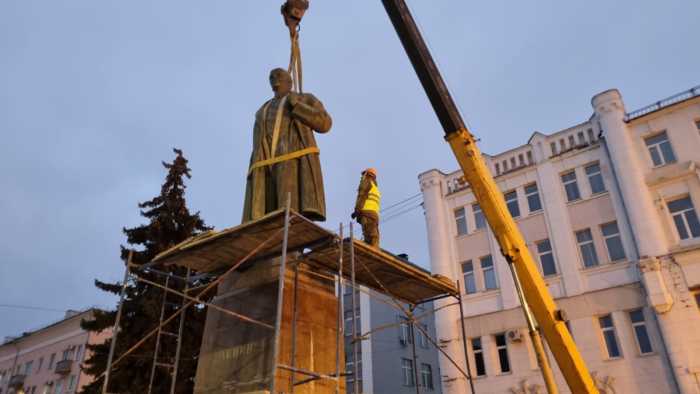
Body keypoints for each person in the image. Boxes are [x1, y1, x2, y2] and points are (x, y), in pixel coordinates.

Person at [242, 68, 333, 223]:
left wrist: (298, 106)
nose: (274, 78)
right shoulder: (262, 110)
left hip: (293, 163)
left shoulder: (304, 98)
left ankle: (290, 243)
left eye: (279, 75)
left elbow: (325, 123)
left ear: (290, 82)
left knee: (290, 215)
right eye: (271, 76)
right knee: (266, 219)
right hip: (265, 168)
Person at [352, 168, 381, 248]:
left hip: (366, 213)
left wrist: (356, 211)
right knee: (374, 238)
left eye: (363, 175)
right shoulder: (375, 188)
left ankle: (373, 256)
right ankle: (375, 254)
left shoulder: (366, 182)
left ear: (367, 174)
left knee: (369, 238)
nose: (361, 177)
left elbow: (362, 196)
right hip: (374, 215)